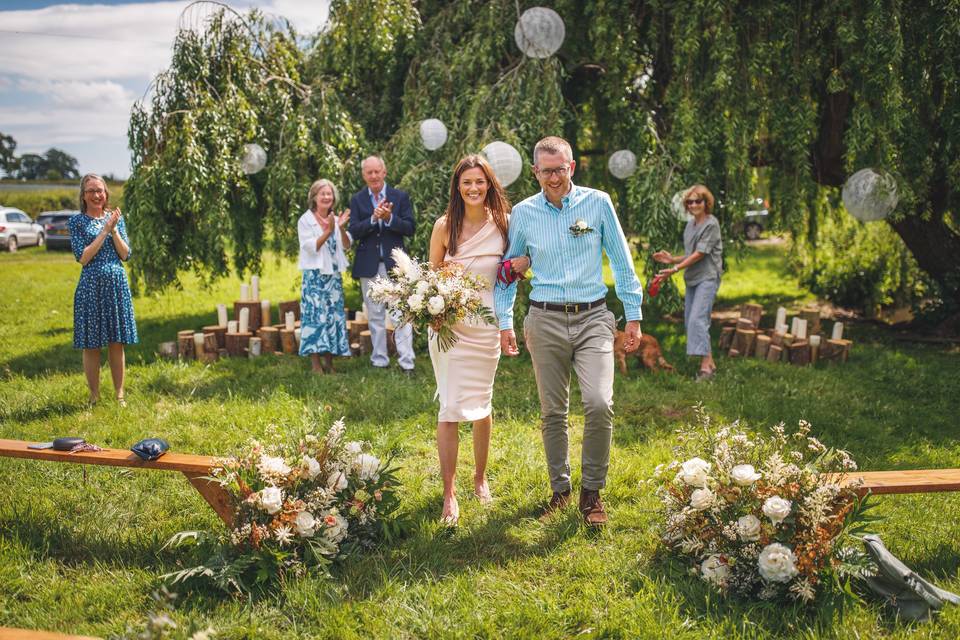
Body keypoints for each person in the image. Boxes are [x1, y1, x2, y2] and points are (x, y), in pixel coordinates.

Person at [494, 136, 643, 526]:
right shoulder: (524, 213)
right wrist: (505, 322)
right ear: (535, 172)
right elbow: (507, 272)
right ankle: (560, 491)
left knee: (598, 402)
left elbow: (623, 262)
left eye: (561, 169)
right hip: (544, 319)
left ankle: (592, 492)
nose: (555, 177)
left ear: (572, 167)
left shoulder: (597, 203)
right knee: (553, 411)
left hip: (594, 317)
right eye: (547, 171)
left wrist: (633, 315)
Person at [427, 155, 529, 525]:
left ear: (489, 184)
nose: (473, 188)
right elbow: (430, 278)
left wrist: (506, 322)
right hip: (450, 328)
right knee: (450, 407)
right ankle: (449, 493)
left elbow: (513, 272)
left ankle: (480, 478)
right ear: (457, 186)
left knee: (482, 405)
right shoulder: (444, 227)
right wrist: (434, 312)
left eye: (480, 182)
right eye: (466, 182)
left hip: (486, 327)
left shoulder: (504, 225)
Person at [69, 173, 138, 407]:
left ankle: (120, 395)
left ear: (106, 193)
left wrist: (115, 229)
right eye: (91, 191)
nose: (97, 195)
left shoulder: (117, 219)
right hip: (91, 286)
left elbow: (125, 254)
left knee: (116, 341)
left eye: (100, 190)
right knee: (92, 344)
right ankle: (94, 396)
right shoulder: (76, 222)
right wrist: (104, 230)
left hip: (116, 285)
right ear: (84, 196)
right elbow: (84, 257)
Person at [348, 155, 416, 373]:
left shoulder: (400, 197)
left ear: (384, 172)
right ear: (364, 175)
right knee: (375, 315)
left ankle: (407, 362)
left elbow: (410, 227)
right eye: (369, 172)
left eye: (377, 171)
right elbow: (354, 231)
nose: (374, 176)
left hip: (395, 266)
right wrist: (373, 220)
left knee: (401, 314)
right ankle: (379, 360)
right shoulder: (357, 200)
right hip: (369, 266)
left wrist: (388, 218)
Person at [653, 184, 722, 380]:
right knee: (692, 320)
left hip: (707, 277)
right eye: (690, 202)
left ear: (706, 202)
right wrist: (672, 259)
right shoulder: (690, 225)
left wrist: (674, 269)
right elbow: (691, 254)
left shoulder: (711, 223)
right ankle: (710, 362)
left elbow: (700, 254)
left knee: (697, 320)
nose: (693, 205)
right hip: (693, 277)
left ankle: (706, 369)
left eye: (697, 201)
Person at [298, 179, 352, 373]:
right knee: (314, 319)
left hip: (333, 279)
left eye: (329, 194)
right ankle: (315, 365)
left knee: (332, 317)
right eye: (323, 194)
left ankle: (330, 363)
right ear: (314, 197)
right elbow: (311, 248)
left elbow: (347, 245)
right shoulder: (306, 220)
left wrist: (341, 228)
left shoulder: (335, 220)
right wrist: (329, 231)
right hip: (314, 278)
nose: (327, 197)